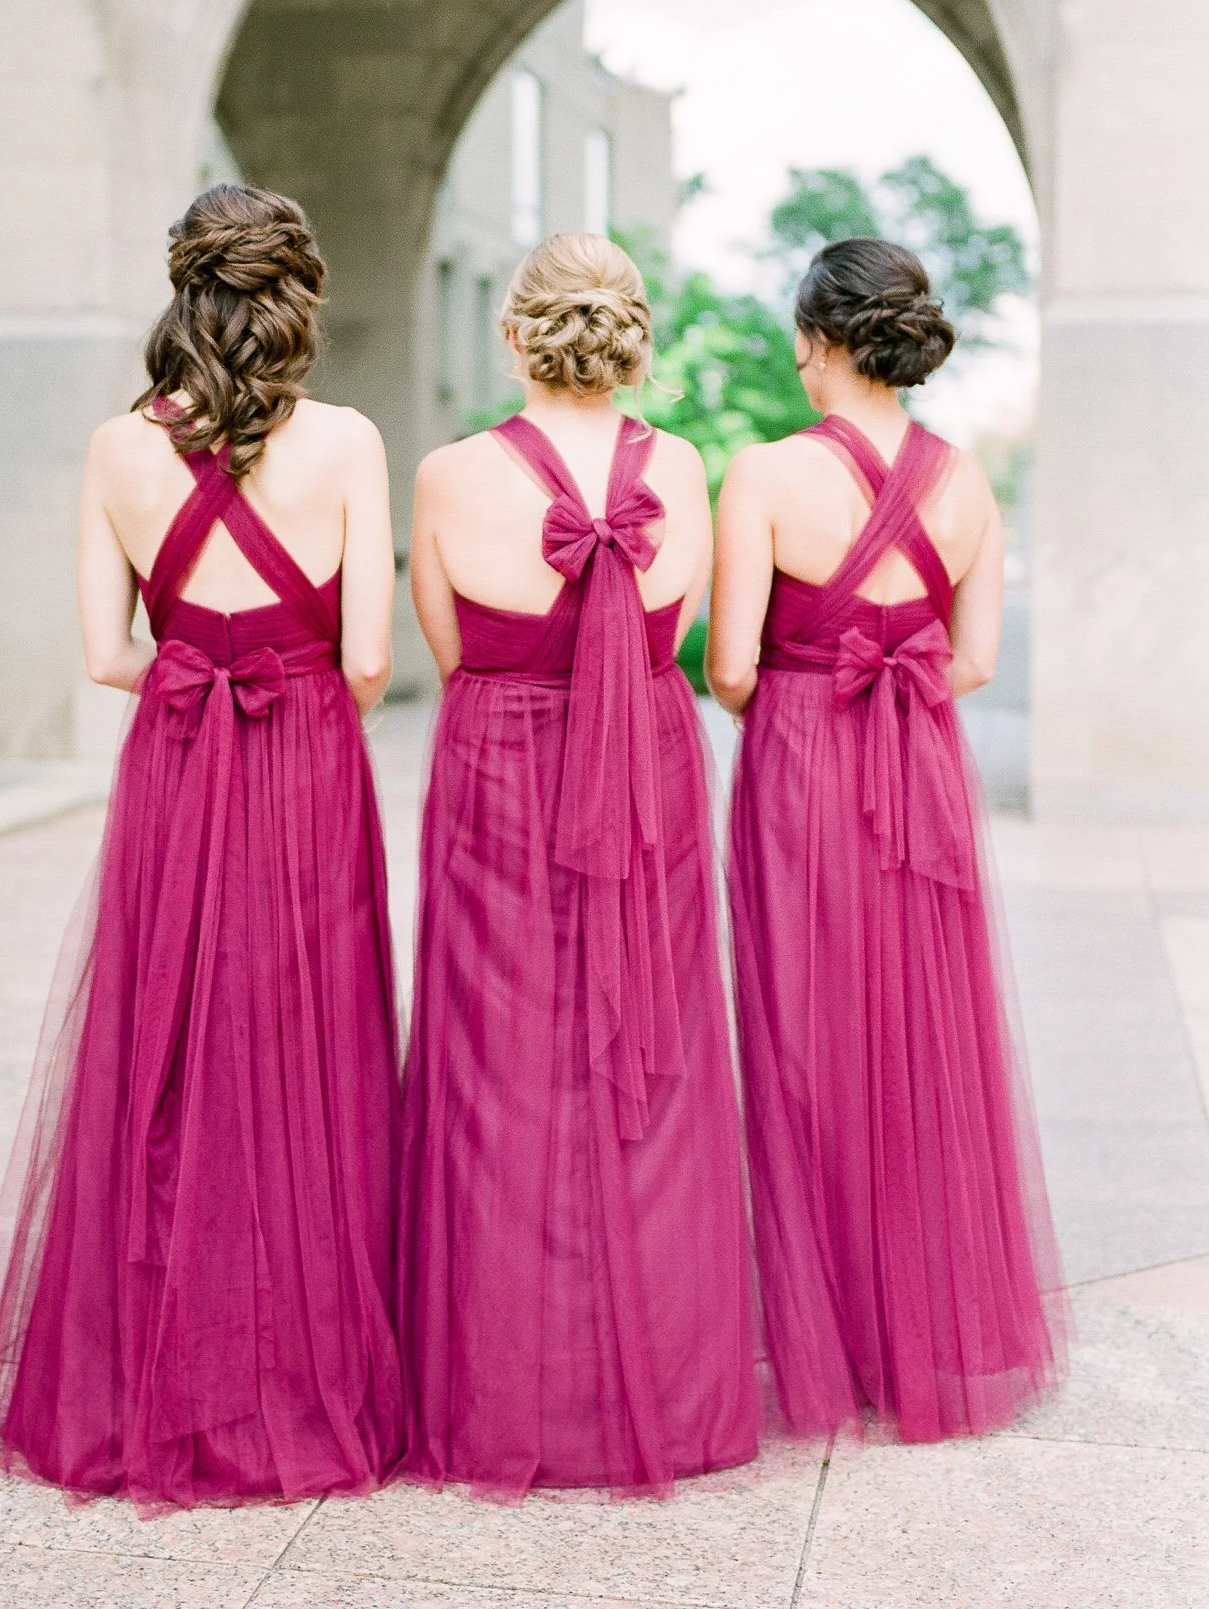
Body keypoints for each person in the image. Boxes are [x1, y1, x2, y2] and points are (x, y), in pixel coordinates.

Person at [0, 185, 404, 1507]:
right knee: (305, 1052)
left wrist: (196, 660)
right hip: (307, 754)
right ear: (298, 297)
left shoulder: (113, 448)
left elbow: (107, 655)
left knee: (163, 1056)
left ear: (182, 289)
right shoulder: (346, 441)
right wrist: (291, 677)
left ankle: (153, 1375)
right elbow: (372, 656)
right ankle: (297, 1371)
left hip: (173, 766)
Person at [399, 232, 757, 1496]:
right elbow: (683, 631)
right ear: (632, 336)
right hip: (645, 768)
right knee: (643, 1058)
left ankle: (503, 1390)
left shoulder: (446, 475)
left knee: (498, 1063)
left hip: (500, 764)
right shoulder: (690, 467)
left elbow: (447, 646)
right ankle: (662, 1385)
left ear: (515, 334)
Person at [709, 236, 1065, 1443]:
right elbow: (970, 661)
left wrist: (803, 690)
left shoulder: (761, 475)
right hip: (916, 770)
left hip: (800, 769)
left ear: (817, 339)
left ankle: (823, 1337)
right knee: (919, 1037)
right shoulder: (966, 483)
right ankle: (925, 1330)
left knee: (800, 1038)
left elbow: (730, 670)